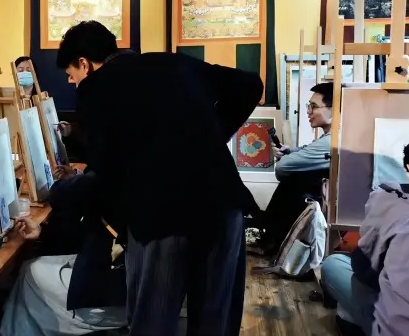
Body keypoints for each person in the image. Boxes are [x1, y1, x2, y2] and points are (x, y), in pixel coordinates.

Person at [57, 21, 263, 335]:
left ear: (84, 63)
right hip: (223, 203)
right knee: (214, 322)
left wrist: (60, 195)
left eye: (72, 76)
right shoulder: (169, 61)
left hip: (162, 215)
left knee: (154, 323)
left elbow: (107, 173)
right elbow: (250, 85)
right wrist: (211, 135)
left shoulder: (96, 87)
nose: (74, 84)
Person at [320, 130, 409, 336]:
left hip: (405, 329)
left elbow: (365, 269)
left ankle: (350, 324)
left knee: (333, 265)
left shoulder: (394, 198)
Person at [1, 169, 127, 336]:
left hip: (117, 292)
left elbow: (59, 193)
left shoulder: (119, 169)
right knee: (29, 267)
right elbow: (93, 227)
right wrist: (43, 232)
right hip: (127, 273)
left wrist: (81, 177)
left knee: (31, 274)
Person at [252, 82, 333, 255]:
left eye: (314, 106)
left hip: (328, 201)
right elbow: (307, 150)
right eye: (308, 106)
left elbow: (282, 168)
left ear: (334, 111)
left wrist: (288, 157)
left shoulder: (331, 141)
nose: (308, 111)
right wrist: (290, 151)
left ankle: (272, 240)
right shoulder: (331, 137)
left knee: (294, 180)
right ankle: (271, 238)